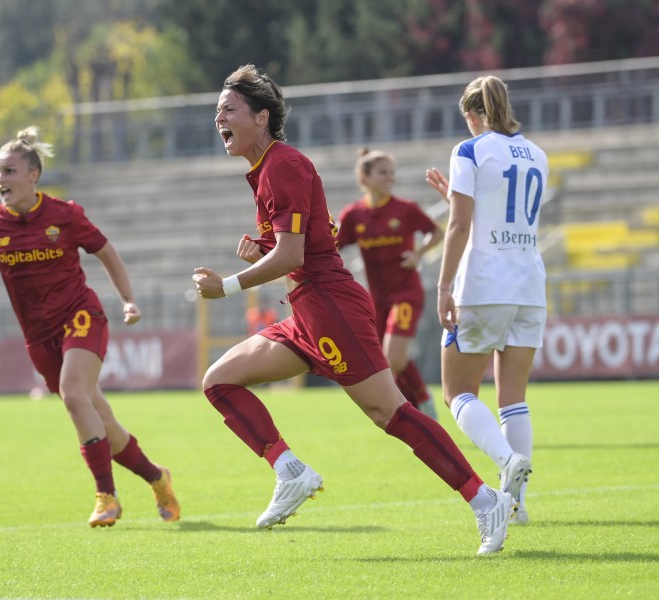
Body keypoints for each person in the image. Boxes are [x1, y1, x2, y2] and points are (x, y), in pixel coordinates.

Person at [193, 64, 515, 555]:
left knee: (389, 412)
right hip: (306, 307)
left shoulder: (283, 164)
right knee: (219, 381)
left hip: (328, 305)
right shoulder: (264, 170)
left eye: (228, 109)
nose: (219, 117)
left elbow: (296, 255)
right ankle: (289, 470)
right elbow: (304, 248)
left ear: (261, 118)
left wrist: (231, 285)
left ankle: (483, 497)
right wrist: (264, 257)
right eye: (218, 109)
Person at [0, 126, 180, 528]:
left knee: (72, 395)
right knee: (100, 418)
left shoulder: (64, 215)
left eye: (9, 171)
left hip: (81, 316)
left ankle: (107, 497)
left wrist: (128, 300)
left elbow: (107, 253)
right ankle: (157, 477)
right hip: (38, 336)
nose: (0, 180)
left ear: (33, 174)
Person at [427, 75, 545, 525]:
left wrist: (443, 287)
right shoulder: (537, 153)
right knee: (513, 398)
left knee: (458, 392)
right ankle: (517, 504)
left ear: (473, 115)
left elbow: (458, 227)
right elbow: (502, 216)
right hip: (529, 287)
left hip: (483, 285)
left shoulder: (470, 150)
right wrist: (455, 197)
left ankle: (505, 462)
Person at [336, 148, 444, 420]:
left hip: (406, 293)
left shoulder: (404, 209)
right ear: (365, 176)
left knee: (393, 357)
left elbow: (437, 231)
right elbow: (333, 245)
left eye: (392, 173)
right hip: (375, 300)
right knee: (387, 360)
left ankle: (417, 404)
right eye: (383, 173)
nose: (390, 178)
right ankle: (419, 405)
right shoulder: (354, 215)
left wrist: (418, 253)